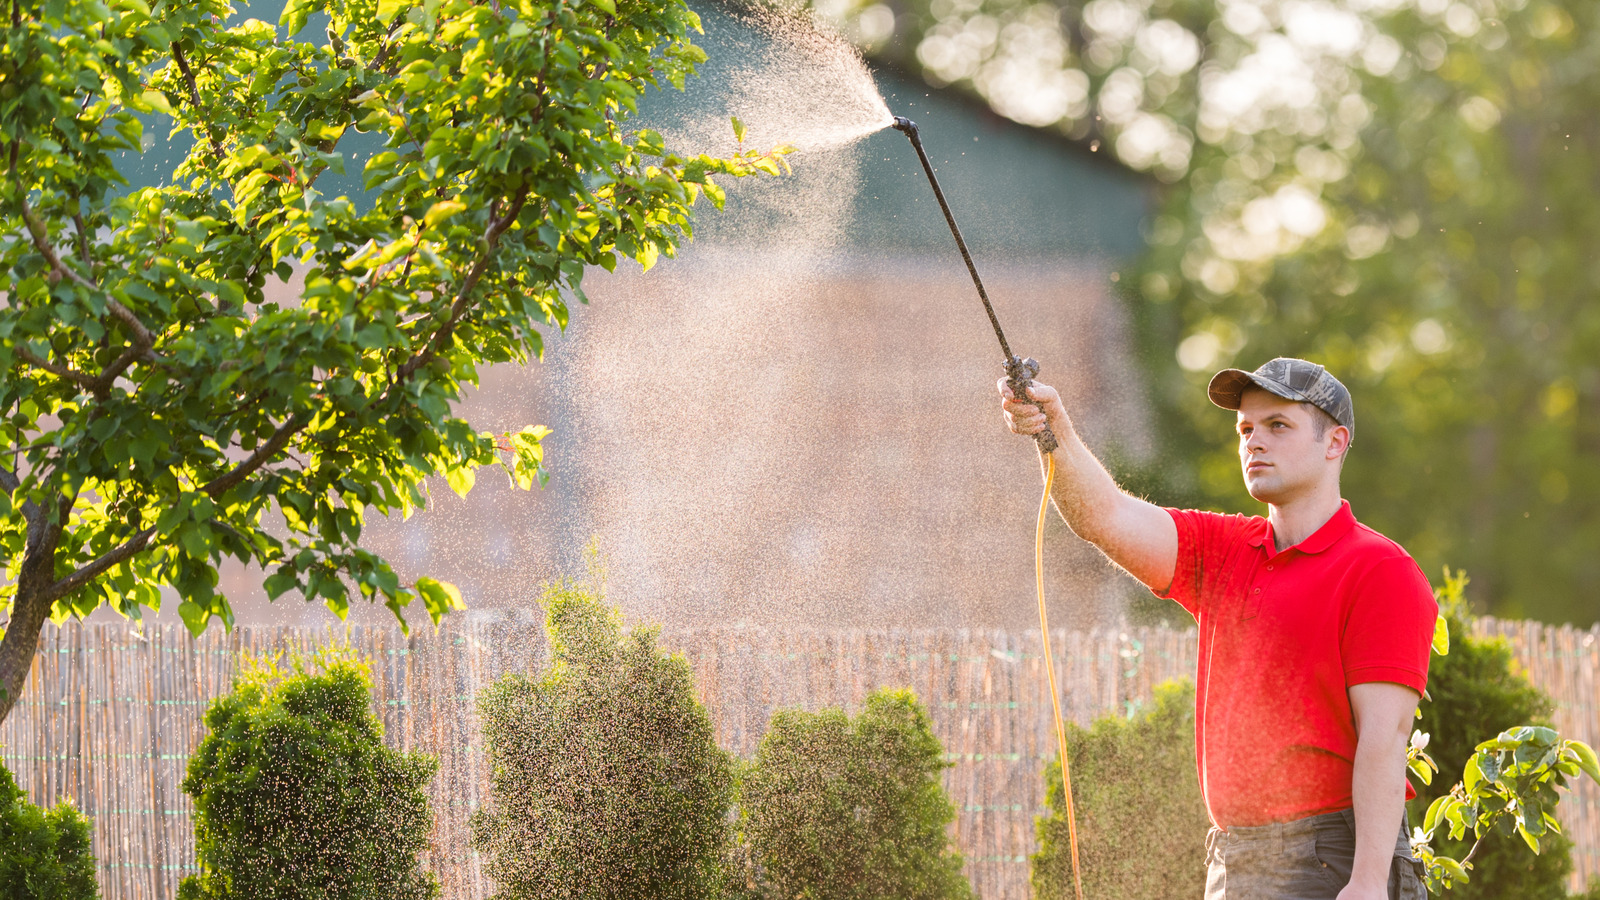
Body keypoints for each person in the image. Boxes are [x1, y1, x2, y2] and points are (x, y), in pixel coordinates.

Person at [999, 357, 1435, 900]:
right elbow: (1103, 517)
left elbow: (1385, 737)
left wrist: (1369, 882)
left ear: (1335, 442)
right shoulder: (1223, 549)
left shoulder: (1379, 569)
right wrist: (1054, 430)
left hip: (1328, 861)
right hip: (1233, 858)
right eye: (1246, 429)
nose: (1255, 442)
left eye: (1278, 425)